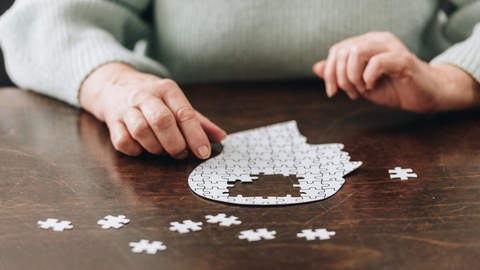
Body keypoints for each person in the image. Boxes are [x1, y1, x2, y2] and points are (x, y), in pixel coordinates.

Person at [0, 0, 479, 159]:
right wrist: (114, 83)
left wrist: (450, 78)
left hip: (415, 136)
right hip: (176, 150)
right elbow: (44, 17)